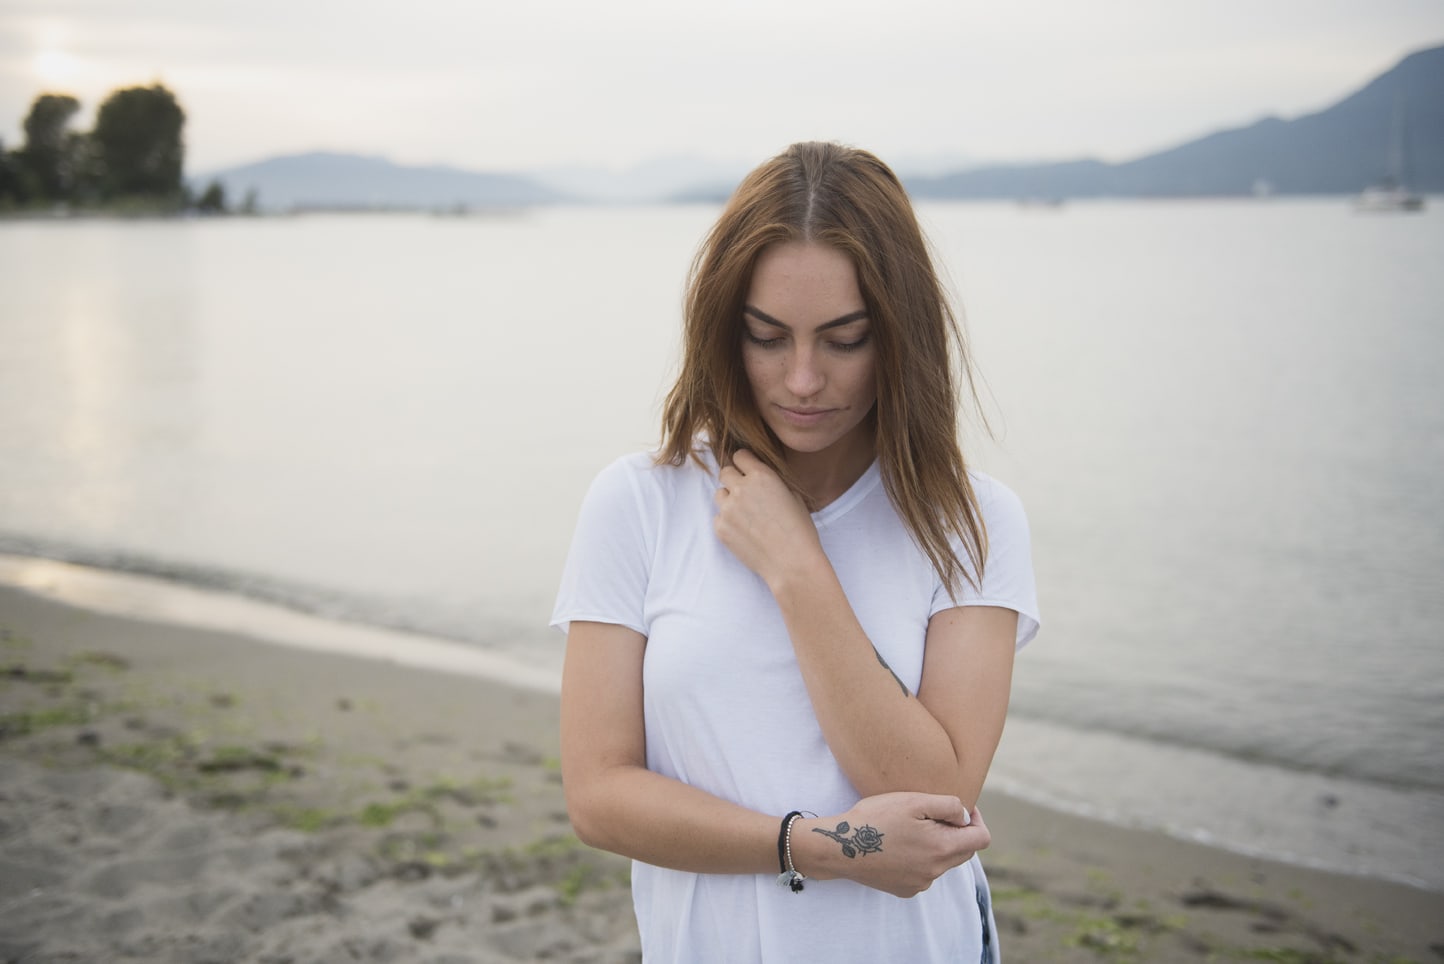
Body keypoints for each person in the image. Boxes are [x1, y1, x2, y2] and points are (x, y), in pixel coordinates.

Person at [551, 141, 1040, 963]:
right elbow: (599, 797)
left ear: (899, 335)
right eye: (767, 336)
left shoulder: (973, 521)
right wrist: (813, 844)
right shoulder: (639, 501)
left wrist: (797, 569)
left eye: (844, 339)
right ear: (723, 329)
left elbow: (938, 796)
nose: (804, 380)